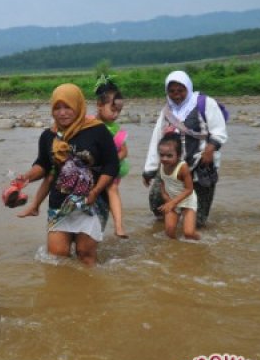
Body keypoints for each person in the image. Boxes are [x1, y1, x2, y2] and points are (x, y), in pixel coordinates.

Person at [13, 83, 119, 266]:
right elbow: (43, 165)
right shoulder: (48, 136)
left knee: (85, 255)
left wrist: (96, 191)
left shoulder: (97, 131)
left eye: (67, 107)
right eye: (57, 108)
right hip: (59, 203)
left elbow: (112, 165)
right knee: (57, 257)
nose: (62, 113)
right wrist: (27, 177)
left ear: (78, 106)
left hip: (91, 203)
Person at [142, 70, 227, 228]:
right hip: (171, 167)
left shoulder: (204, 103)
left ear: (188, 88)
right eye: (172, 91)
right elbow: (156, 140)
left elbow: (219, 131)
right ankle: (168, 230)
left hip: (201, 167)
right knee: (157, 205)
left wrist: (211, 148)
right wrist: (149, 170)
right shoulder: (167, 111)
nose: (177, 95)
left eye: (181, 90)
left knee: (198, 222)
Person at [94, 77, 129, 238]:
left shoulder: (115, 129)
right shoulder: (89, 124)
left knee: (112, 189)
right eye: (113, 110)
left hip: (110, 170)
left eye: (119, 112)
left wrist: (112, 161)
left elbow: (124, 151)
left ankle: (119, 226)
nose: (116, 115)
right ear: (99, 105)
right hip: (93, 171)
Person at [156, 133, 200, 240]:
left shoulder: (182, 167)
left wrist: (172, 203)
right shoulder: (161, 165)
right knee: (169, 232)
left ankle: (200, 240)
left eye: (169, 156)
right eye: (162, 155)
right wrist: (166, 198)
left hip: (187, 201)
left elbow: (189, 189)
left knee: (188, 233)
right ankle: (177, 251)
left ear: (179, 155)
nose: (165, 159)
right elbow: (162, 182)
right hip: (172, 200)